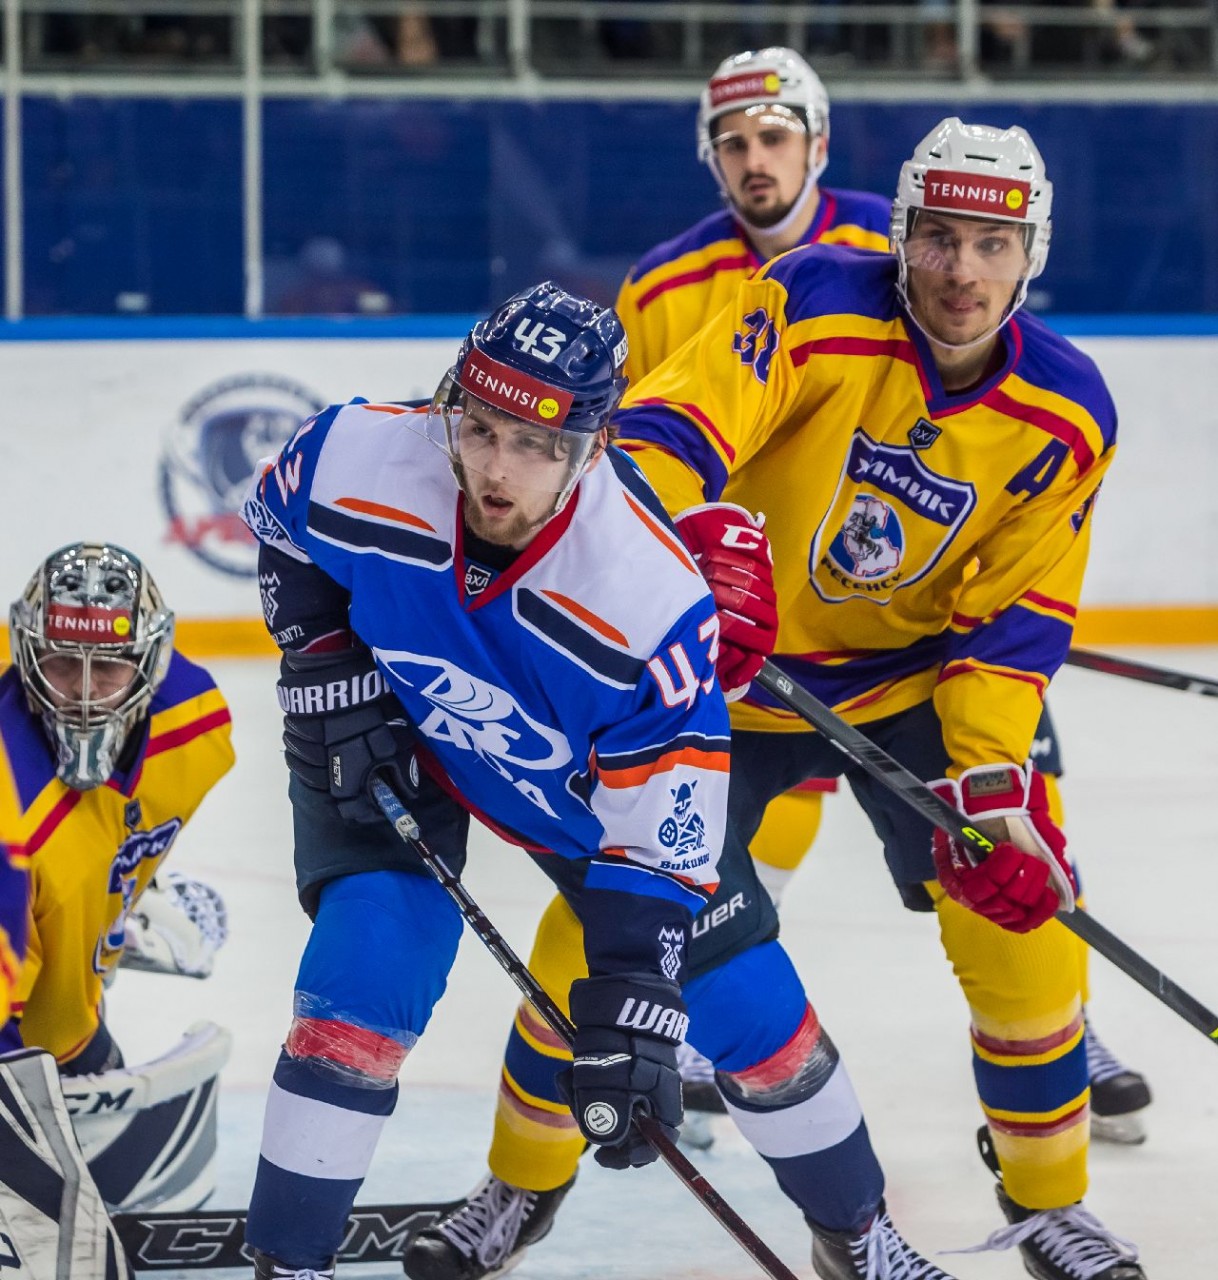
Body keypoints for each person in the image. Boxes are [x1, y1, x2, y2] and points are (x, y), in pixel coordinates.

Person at [240, 281, 959, 1280]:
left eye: (536, 445)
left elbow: (660, 847)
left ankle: (855, 1235)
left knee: (755, 1016)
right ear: (452, 396)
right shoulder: (353, 452)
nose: (496, 469)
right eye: (482, 426)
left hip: (575, 791)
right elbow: (279, 526)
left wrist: (632, 1001)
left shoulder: (645, 599)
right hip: (392, 729)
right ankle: (292, 1261)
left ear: (595, 443)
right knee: (367, 975)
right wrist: (328, 666)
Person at [618, 42, 1148, 1147]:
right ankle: (674, 1015)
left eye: (775, 135)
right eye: (734, 140)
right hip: (745, 638)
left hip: (905, 652)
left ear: (817, 143)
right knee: (695, 858)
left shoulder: (892, 248)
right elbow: (653, 441)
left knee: (1016, 799)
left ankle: (1064, 1020)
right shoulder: (672, 284)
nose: (755, 157)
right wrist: (689, 559)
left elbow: (996, 554)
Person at [0, 541, 236, 1211]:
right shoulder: (8, 803)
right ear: (24, 651)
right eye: (58, 663)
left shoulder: (195, 725)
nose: (80, 692)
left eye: (107, 666)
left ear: (151, 663)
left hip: (62, 1000)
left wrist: (127, 897)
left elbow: (100, 830)